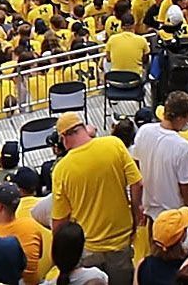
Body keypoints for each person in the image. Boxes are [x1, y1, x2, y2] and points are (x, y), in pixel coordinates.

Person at [52, 113, 146, 285]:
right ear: (84, 128)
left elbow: (60, 220)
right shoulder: (114, 144)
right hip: (120, 241)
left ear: (64, 138)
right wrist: (135, 213)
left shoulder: (61, 170)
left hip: (88, 247)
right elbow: (137, 183)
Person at [136, 96, 188, 219]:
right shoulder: (182, 147)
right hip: (173, 216)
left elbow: (136, 169)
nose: (187, 121)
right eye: (187, 117)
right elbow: (186, 190)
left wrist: (138, 203)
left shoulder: (143, 131)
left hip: (149, 210)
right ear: (179, 118)